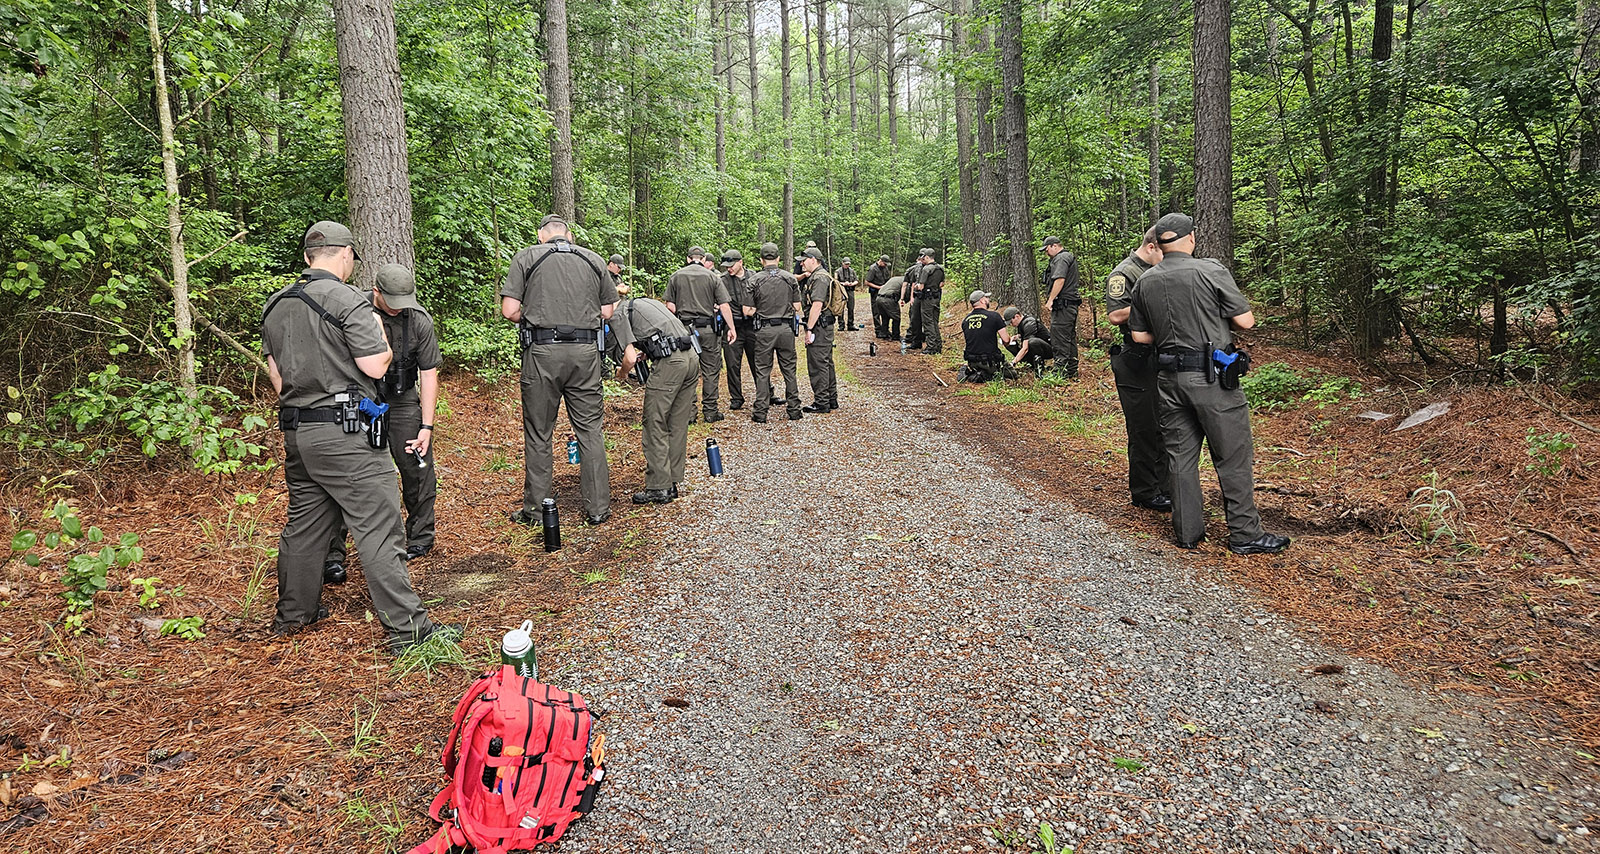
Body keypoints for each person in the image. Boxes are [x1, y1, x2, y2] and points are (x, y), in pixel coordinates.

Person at [260, 221, 448, 653]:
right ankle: (408, 629)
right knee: (379, 527)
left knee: (305, 524)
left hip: (298, 431)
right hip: (346, 435)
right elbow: (376, 367)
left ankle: (294, 615)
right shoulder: (346, 300)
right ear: (345, 255)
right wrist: (381, 344)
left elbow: (277, 373)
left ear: (308, 256)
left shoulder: (276, 304)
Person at [1128, 212, 1290, 555]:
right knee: (1231, 454)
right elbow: (1246, 321)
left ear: (1158, 243)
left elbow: (1140, 336)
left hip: (1169, 379)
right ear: (1191, 238)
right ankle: (1245, 534)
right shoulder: (1210, 270)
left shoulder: (1145, 281)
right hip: (1213, 379)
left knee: (1180, 456)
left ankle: (1187, 532)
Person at [323, 263, 442, 586]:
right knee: (347, 475)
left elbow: (429, 373)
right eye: (392, 300)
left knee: (416, 465)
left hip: (402, 400)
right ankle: (333, 554)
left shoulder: (418, 319)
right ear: (376, 293)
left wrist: (426, 427)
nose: (399, 307)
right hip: (362, 399)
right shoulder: (354, 311)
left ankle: (419, 536)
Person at [500, 214, 617, 527]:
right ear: (569, 235)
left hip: (542, 353)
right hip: (585, 354)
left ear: (542, 235)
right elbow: (607, 311)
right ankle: (598, 509)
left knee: (539, 432)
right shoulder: (594, 260)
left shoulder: (526, 257)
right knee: (590, 429)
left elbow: (509, 310)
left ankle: (536, 511)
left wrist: (539, 313)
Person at [606, 285, 697, 504]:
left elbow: (628, 358)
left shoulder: (617, 315)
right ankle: (672, 481)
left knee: (654, 421)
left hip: (671, 364)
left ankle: (658, 487)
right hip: (691, 357)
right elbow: (664, 332)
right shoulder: (644, 302)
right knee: (676, 422)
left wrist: (621, 374)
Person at [1106, 226, 1172, 513]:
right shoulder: (1125, 273)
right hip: (1135, 358)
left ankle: (1165, 487)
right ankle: (1145, 491)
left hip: (1160, 355)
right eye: (1165, 252)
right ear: (1151, 247)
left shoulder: (1160, 270)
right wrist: (1149, 304)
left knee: (1164, 424)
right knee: (1144, 426)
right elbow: (1115, 314)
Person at [664, 246, 737, 423]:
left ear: (688, 259)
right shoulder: (713, 277)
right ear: (703, 259)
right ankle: (711, 411)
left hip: (685, 331)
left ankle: (689, 413)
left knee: (688, 370)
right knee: (711, 370)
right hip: (708, 330)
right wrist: (732, 328)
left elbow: (670, 307)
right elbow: (725, 306)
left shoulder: (676, 276)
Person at [744, 242, 803, 422]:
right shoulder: (790, 278)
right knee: (789, 370)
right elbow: (797, 307)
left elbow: (747, 310)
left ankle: (761, 412)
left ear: (761, 260)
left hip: (764, 329)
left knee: (762, 370)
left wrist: (762, 312)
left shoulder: (753, 280)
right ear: (778, 258)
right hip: (785, 329)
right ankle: (794, 409)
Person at [801, 248, 843, 412]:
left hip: (819, 326)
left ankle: (822, 402)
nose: (801, 263)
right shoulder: (822, 275)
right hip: (824, 326)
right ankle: (831, 399)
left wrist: (809, 329)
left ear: (813, 259)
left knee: (818, 364)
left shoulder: (819, 278)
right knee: (826, 363)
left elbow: (817, 305)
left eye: (804, 260)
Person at [719, 249, 759, 411]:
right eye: (726, 266)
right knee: (732, 363)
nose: (729, 269)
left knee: (758, 361)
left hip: (752, 325)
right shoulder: (722, 280)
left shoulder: (754, 276)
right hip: (732, 326)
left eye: (732, 265)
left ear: (740, 262)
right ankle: (736, 397)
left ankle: (765, 393)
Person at [1040, 236, 1081, 378]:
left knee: (1059, 337)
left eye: (1047, 249)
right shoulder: (1067, 257)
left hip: (1063, 305)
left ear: (1054, 246)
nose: (1046, 253)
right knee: (1068, 337)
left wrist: (1050, 299)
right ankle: (1071, 369)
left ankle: (1060, 370)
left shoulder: (1061, 258)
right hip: (1069, 305)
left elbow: (1060, 279)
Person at [959, 291, 1015, 382]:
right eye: (986, 298)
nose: (988, 300)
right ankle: (985, 374)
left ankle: (972, 372)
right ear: (982, 301)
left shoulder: (966, 320)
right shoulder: (994, 316)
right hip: (990, 361)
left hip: (972, 361)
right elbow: (1005, 340)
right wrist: (1010, 340)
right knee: (1012, 375)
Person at [999, 306, 1052, 373]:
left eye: (1011, 322)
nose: (1010, 325)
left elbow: (1025, 348)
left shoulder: (1029, 323)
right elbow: (1024, 336)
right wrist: (1015, 338)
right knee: (1009, 344)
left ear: (1017, 316)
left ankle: (1039, 365)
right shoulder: (1021, 325)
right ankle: (1031, 363)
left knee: (1032, 342)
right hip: (1034, 349)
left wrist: (1013, 362)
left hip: (1048, 349)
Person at [910, 248, 944, 354]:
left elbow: (920, 286)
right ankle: (938, 345)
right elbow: (941, 284)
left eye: (923, 258)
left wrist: (915, 286)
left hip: (927, 299)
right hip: (936, 298)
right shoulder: (940, 268)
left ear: (928, 257)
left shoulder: (926, 269)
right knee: (934, 322)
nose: (921, 260)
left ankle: (931, 347)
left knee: (928, 322)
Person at [865, 255, 894, 338]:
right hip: (875, 292)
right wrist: (879, 287)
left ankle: (885, 330)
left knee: (885, 311)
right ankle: (878, 330)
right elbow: (867, 282)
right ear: (880, 261)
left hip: (884, 292)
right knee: (876, 312)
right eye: (884, 264)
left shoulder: (885, 268)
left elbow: (887, 279)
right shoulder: (872, 268)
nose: (885, 266)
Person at [900, 254, 925, 349]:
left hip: (922, 297)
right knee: (915, 318)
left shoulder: (930, 268)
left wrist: (903, 299)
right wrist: (910, 298)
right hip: (917, 296)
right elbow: (910, 284)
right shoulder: (914, 269)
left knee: (917, 318)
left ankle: (916, 337)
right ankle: (915, 337)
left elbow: (905, 285)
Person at [875, 273, 905, 343]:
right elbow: (906, 292)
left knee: (885, 316)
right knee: (896, 317)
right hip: (888, 299)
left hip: (878, 298)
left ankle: (884, 333)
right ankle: (895, 336)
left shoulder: (894, 278)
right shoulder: (905, 281)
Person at [834, 257, 859, 331]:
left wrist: (852, 283)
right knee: (841, 308)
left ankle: (851, 324)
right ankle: (841, 325)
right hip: (841, 291)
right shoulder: (837, 271)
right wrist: (844, 283)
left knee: (851, 308)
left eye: (848, 264)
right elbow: (835, 281)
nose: (847, 265)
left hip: (850, 290)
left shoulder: (852, 271)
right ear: (842, 263)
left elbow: (856, 280)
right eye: (846, 264)